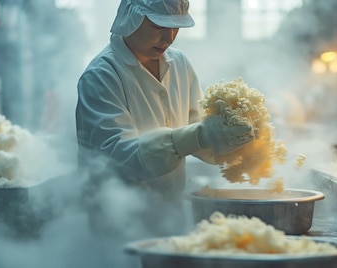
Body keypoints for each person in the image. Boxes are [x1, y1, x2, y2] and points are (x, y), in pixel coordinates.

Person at [75, 0, 253, 235]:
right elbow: (113, 160)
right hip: (119, 225)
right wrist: (195, 136)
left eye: (176, 27)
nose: (169, 37)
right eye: (159, 25)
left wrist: (232, 144)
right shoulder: (102, 75)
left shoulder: (179, 64)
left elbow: (197, 132)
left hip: (172, 218)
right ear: (133, 17)